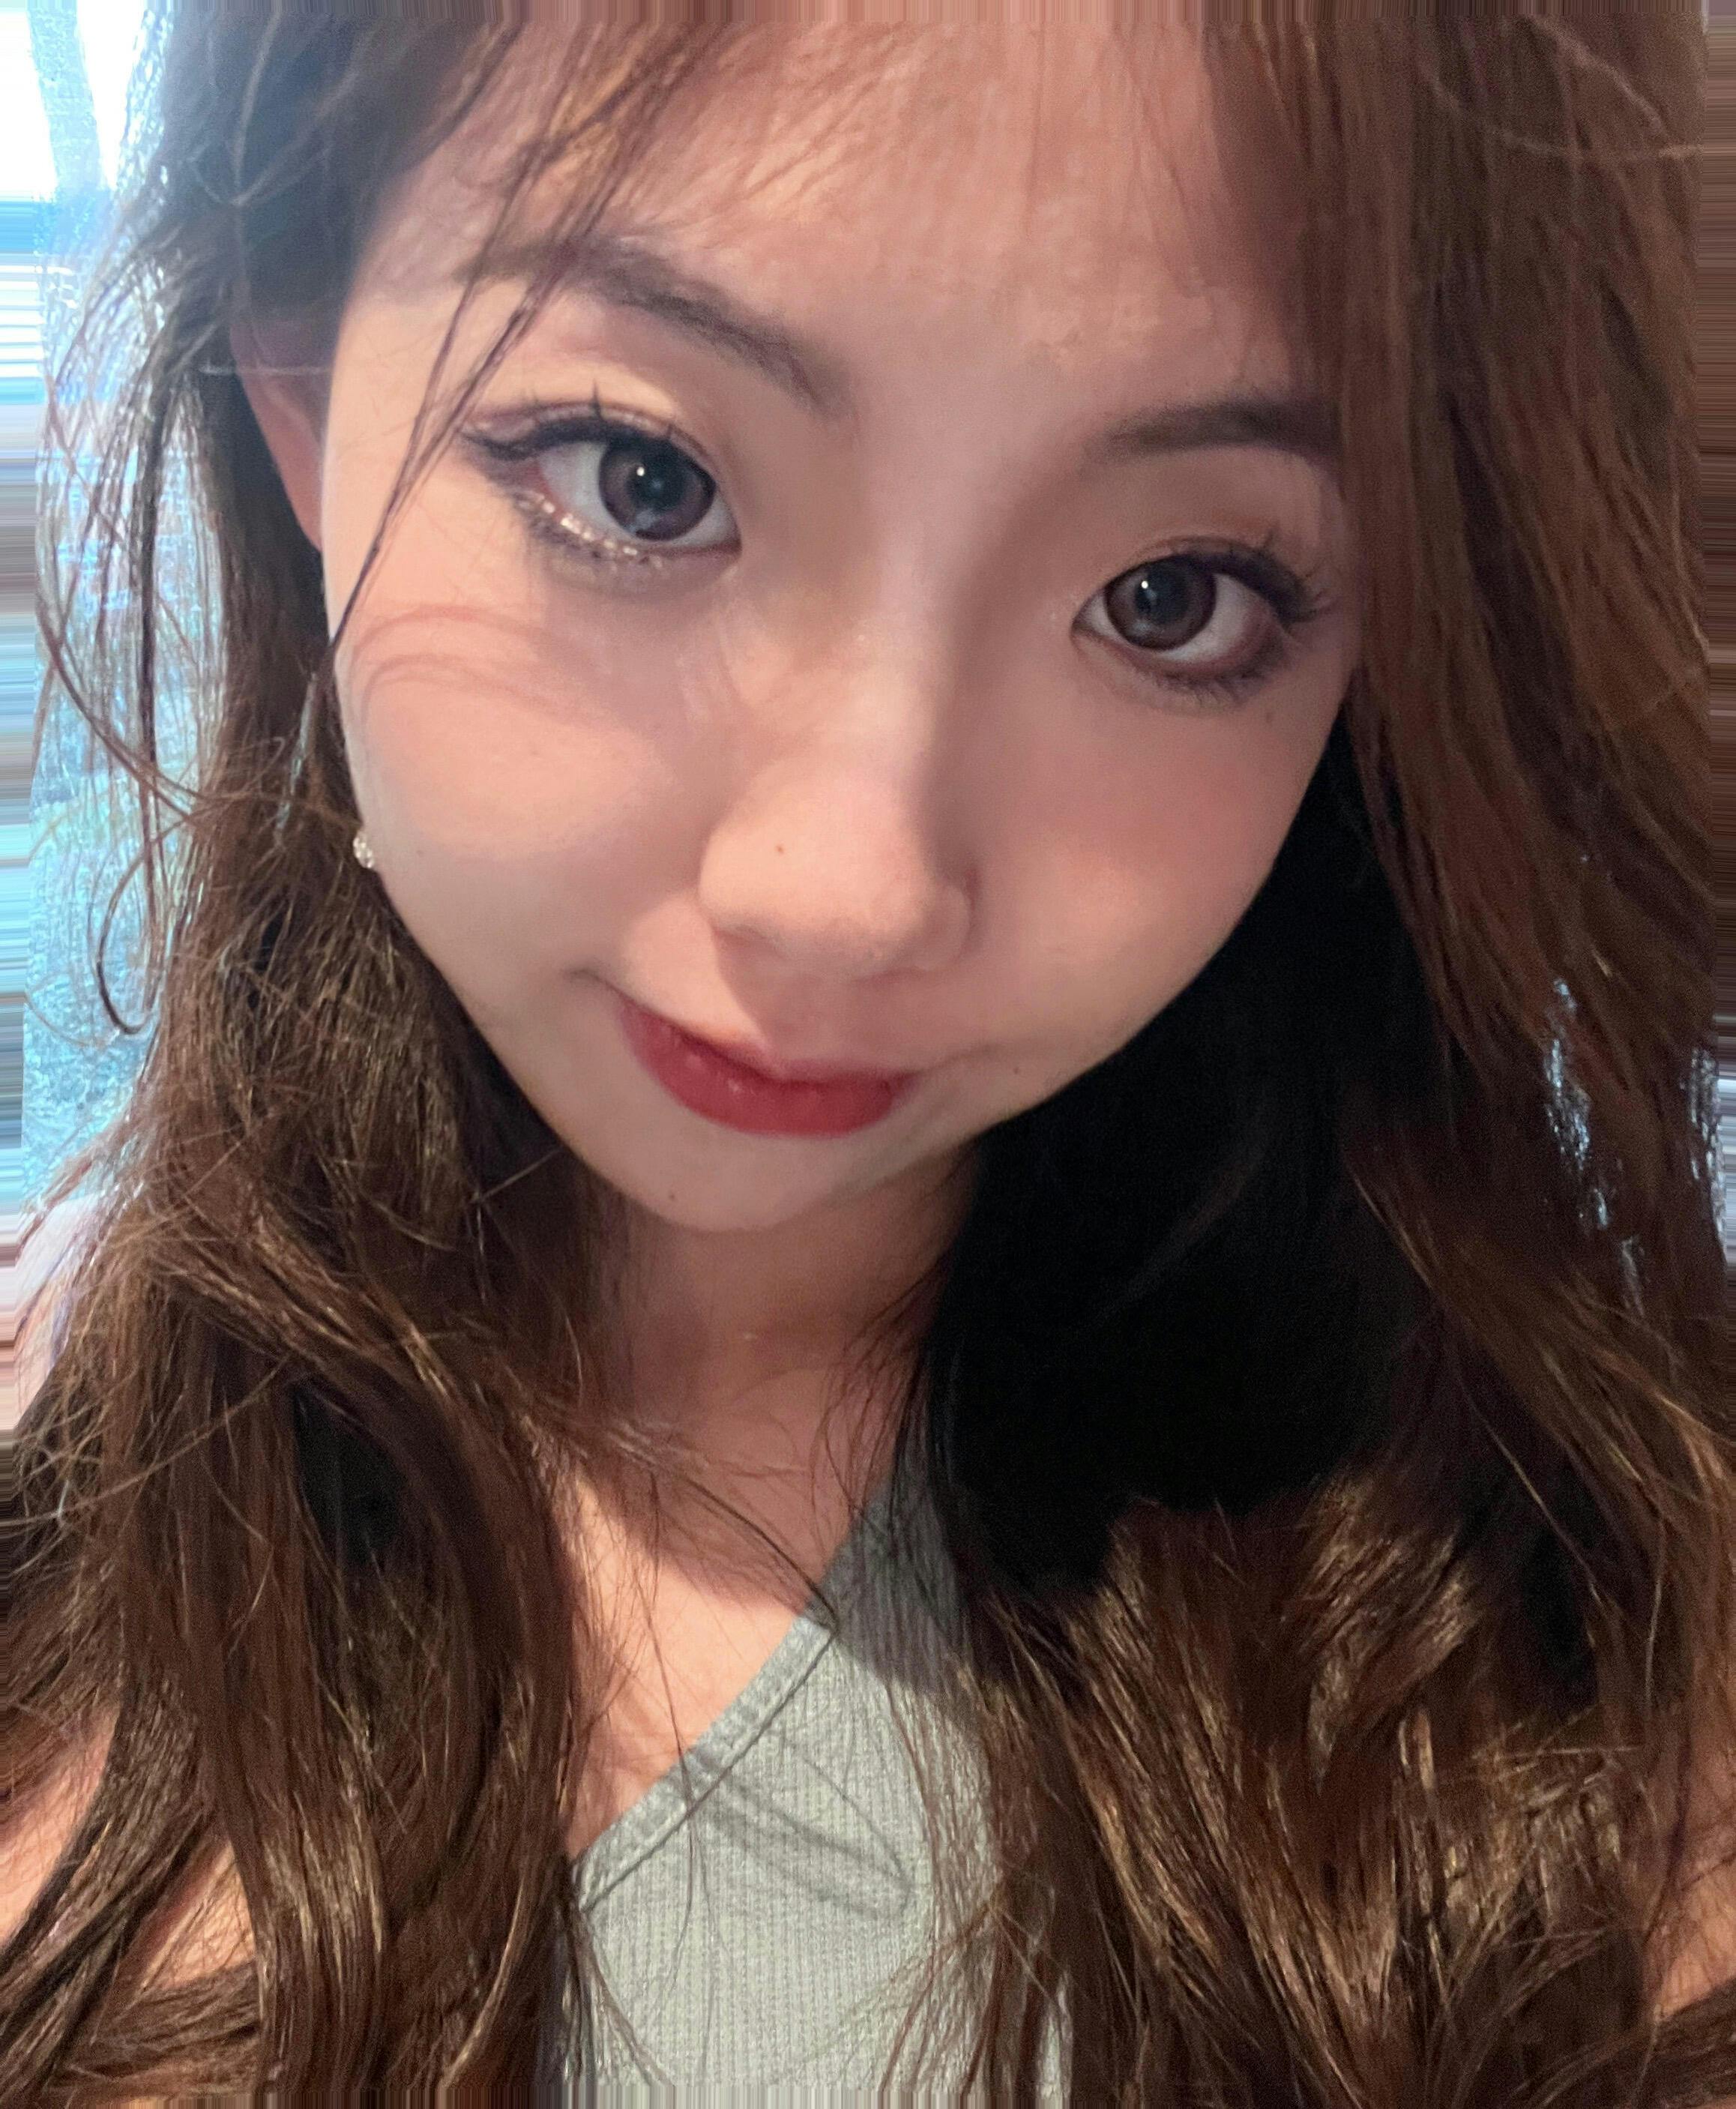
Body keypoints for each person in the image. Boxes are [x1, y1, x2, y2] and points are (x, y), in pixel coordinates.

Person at [3, 7, 1732, 2102]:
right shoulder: (52, 1465)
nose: (849, 891)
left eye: (1174, 598)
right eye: (642, 480)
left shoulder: (1585, 1655)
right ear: (300, 389)